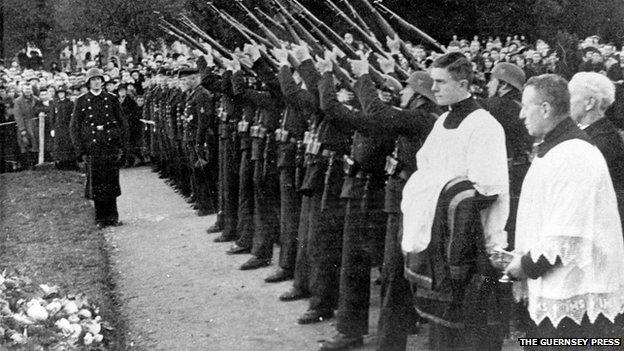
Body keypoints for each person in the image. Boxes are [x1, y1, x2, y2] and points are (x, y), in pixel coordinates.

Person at [505, 74, 624, 345]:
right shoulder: (559, 147)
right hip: (556, 285)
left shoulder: (574, 154)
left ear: (545, 109)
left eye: (526, 106)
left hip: (574, 294)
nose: (522, 115)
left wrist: (523, 266)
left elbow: (566, 234)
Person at [401, 52, 510, 350]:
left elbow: (486, 192)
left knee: (473, 332)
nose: (432, 88)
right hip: (442, 237)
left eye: (440, 82)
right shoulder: (444, 120)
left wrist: (440, 191)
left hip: (472, 241)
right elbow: (425, 170)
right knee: (442, 335)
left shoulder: (484, 125)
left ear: (463, 84)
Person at [70, 67, 128, 229]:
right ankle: (100, 218)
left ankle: (113, 217)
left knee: (111, 181)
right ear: (88, 83)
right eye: (93, 80)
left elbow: (122, 122)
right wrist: (80, 150)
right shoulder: (81, 101)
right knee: (97, 183)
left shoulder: (111, 98)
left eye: (99, 80)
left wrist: (122, 145)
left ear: (103, 82)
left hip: (110, 145)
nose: (96, 82)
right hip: (93, 147)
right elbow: (74, 127)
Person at [568, 71, 624, 231]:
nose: (567, 103)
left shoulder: (601, 140)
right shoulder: (597, 134)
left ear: (590, 102)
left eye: (571, 97)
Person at [13, 84, 39, 169]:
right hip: (24, 124)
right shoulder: (18, 101)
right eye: (26, 89)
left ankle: (35, 165)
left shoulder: (35, 99)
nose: (28, 91)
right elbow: (18, 116)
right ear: (22, 90)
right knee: (25, 144)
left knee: (35, 144)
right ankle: (27, 166)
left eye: (29, 89)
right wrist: (22, 129)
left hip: (34, 124)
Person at [50, 86, 77, 169]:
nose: (61, 95)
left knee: (68, 145)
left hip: (67, 127)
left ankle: (70, 164)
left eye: (62, 93)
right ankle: (60, 164)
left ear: (65, 94)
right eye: (59, 93)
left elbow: (72, 116)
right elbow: (53, 117)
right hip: (58, 128)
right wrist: (52, 128)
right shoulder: (55, 103)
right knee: (59, 146)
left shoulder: (70, 103)